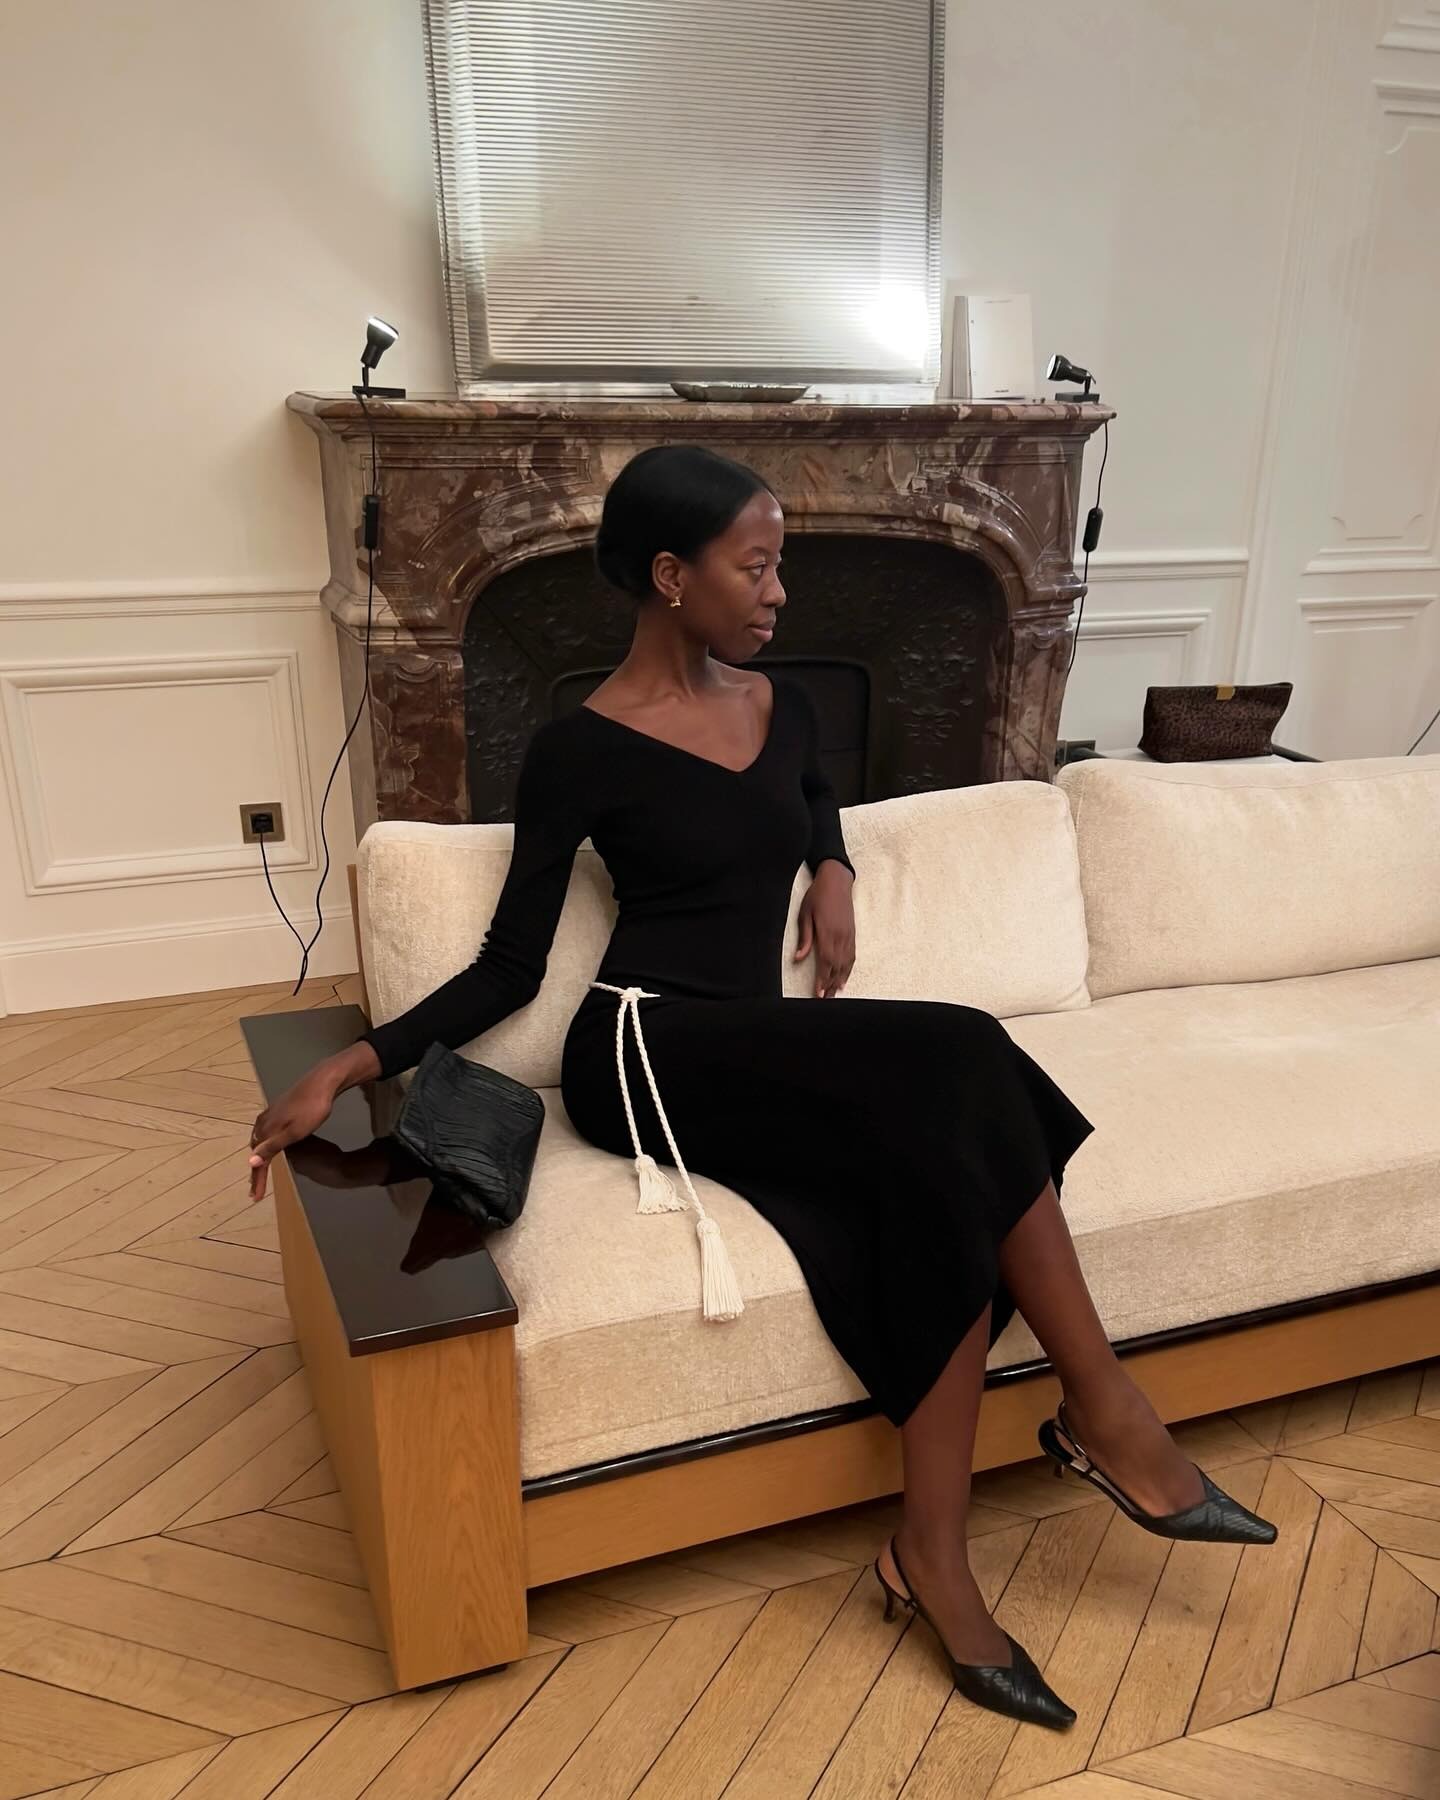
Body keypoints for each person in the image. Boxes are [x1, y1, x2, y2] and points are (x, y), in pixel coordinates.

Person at [247, 443, 1276, 1731]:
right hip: (639, 1050)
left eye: (781, 560)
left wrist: (833, 867)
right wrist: (352, 1059)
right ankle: (1109, 1415)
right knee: (957, 1048)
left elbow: (814, 796)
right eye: (758, 562)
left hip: (749, 1039)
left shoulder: (781, 704)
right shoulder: (579, 749)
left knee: (940, 1172)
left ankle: (932, 1556)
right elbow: (512, 964)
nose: (781, 587)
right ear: (673, 577)